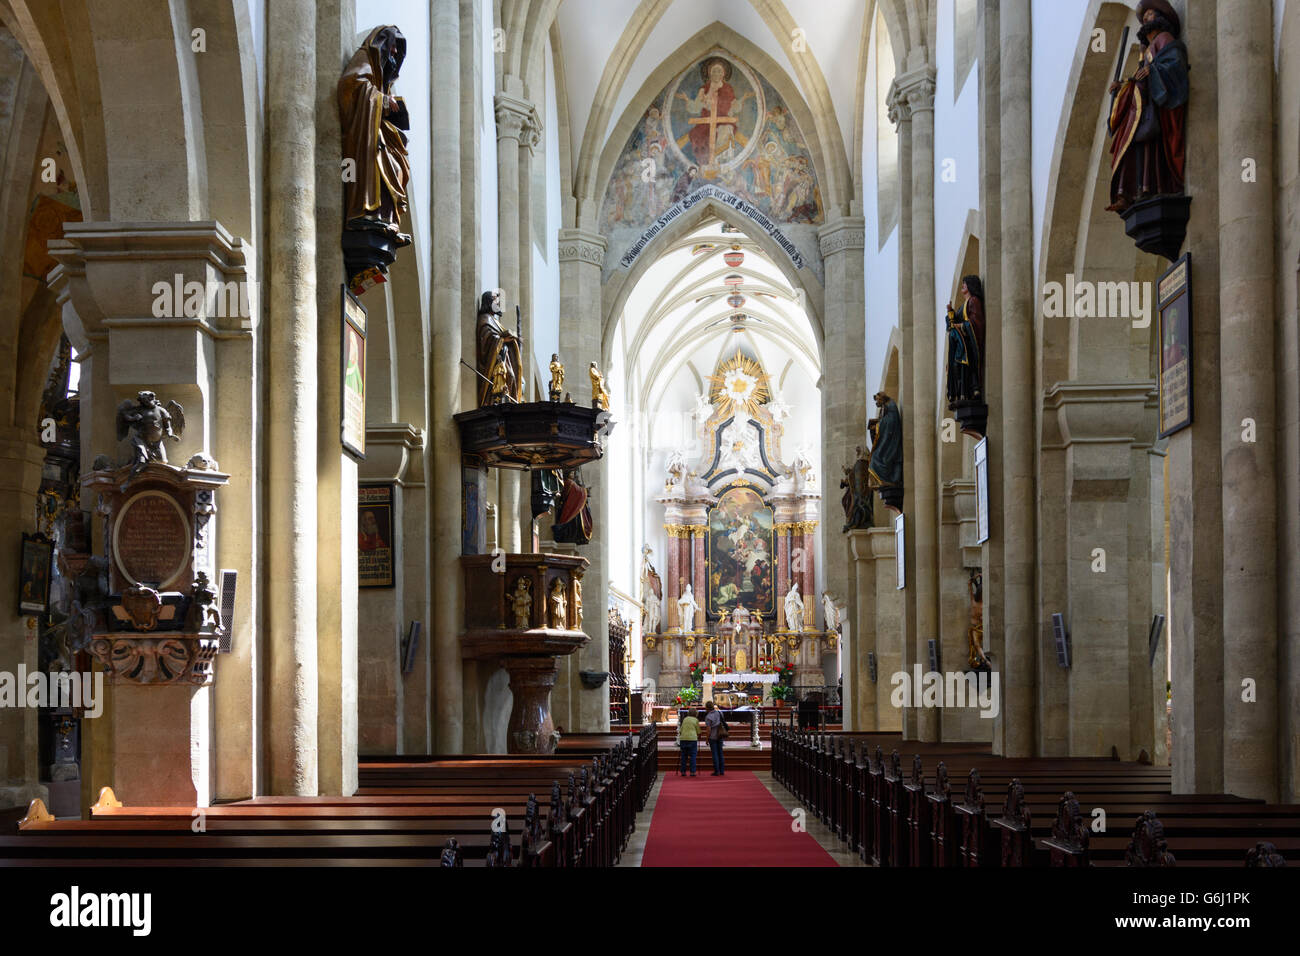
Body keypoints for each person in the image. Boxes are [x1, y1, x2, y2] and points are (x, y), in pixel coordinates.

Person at [704, 699, 728, 775]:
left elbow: (708, 730)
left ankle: (716, 771)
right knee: (720, 753)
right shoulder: (719, 712)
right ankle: (722, 771)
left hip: (713, 737)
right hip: (720, 735)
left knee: (715, 754)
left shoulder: (708, 716)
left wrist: (707, 739)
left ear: (707, 708)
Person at [677, 707, 700, 777]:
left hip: (683, 739)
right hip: (692, 739)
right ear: (696, 713)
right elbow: (698, 731)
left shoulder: (685, 719)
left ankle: (683, 771)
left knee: (684, 756)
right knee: (693, 756)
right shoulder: (696, 720)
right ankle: (692, 772)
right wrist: (699, 735)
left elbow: (680, 730)